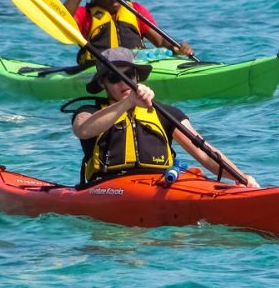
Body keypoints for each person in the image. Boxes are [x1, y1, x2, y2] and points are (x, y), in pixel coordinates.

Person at [68, 47, 258, 187]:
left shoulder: (165, 114)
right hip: (109, 188)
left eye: (128, 74)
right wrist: (128, 102)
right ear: (102, 82)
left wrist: (240, 177)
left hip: (160, 185)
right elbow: (82, 130)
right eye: (115, 77)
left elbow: (203, 151)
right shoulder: (90, 112)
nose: (123, 82)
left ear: (136, 76)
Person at [62, 0, 194, 65]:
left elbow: (160, 42)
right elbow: (62, 19)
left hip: (137, 63)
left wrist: (176, 47)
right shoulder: (85, 14)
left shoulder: (135, 10)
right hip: (100, 68)